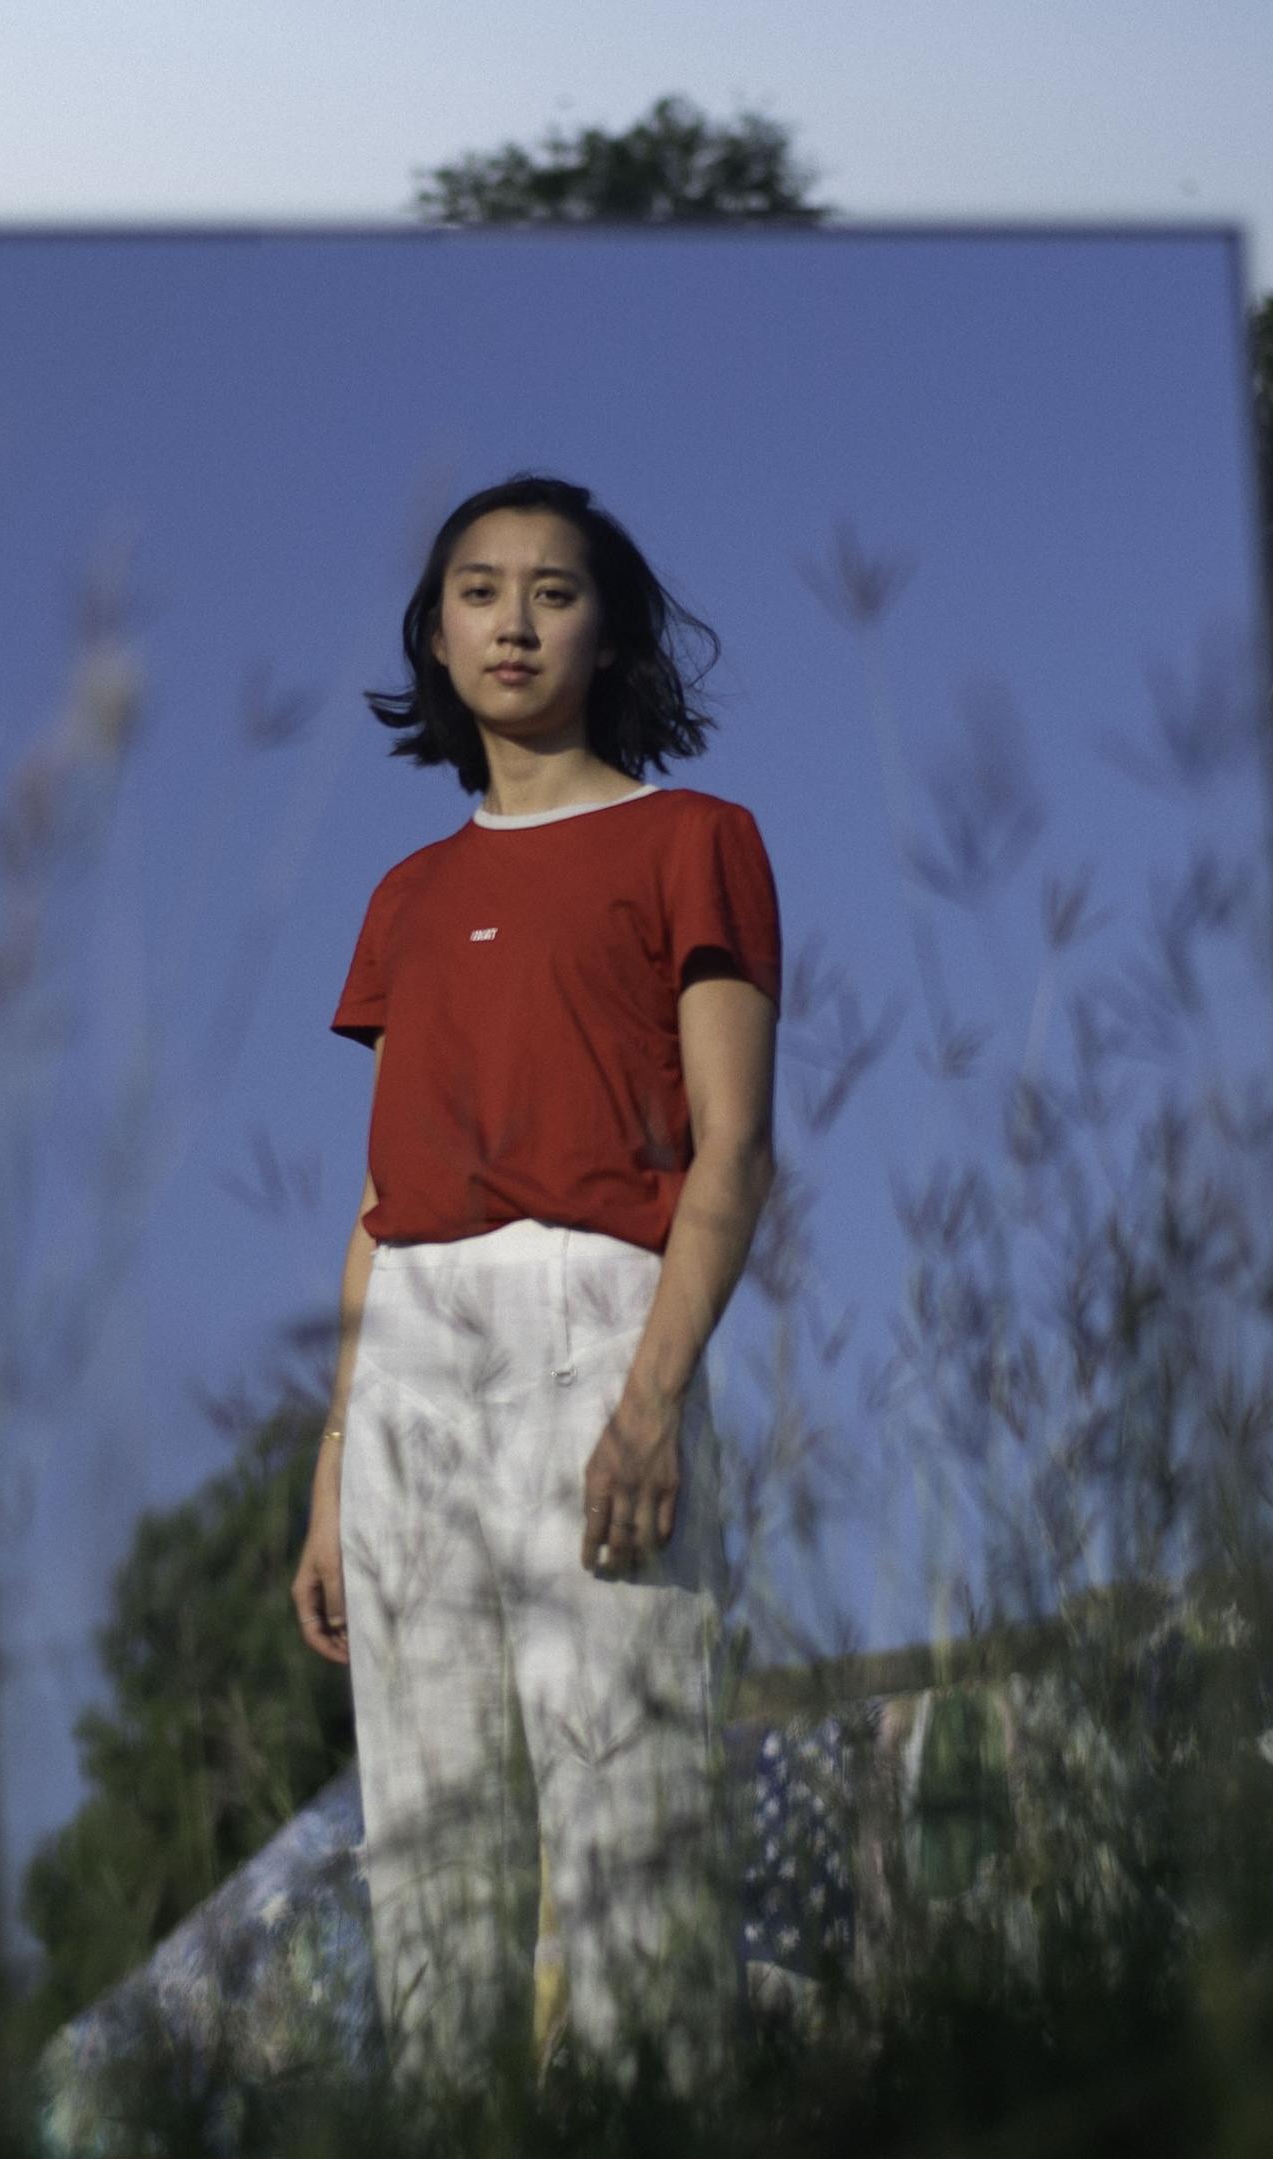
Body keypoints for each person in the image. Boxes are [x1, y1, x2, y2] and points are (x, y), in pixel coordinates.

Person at [287, 472, 781, 2097]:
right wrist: (332, 1458)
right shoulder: (406, 897)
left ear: (609, 627)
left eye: (554, 591)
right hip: (411, 1353)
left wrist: (651, 1406)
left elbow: (732, 1155)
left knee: (630, 1816)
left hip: (596, 1325)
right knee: (426, 1852)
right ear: (434, 633)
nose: (513, 619)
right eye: (479, 590)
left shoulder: (696, 843)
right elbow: (382, 1193)